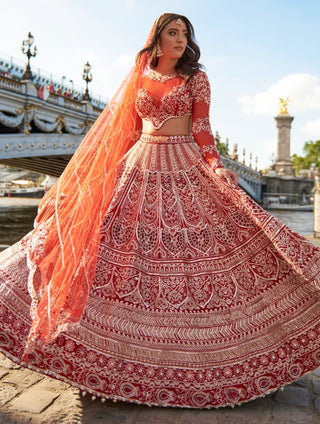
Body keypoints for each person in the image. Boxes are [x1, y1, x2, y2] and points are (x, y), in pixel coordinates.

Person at [0, 13, 320, 409]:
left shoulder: (196, 78)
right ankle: (96, 358)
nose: (180, 39)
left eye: (185, 33)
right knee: (115, 251)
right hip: (138, 164)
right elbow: (128, 128)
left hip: (184, 163)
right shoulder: (140, 74)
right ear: (156, 38)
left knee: (200, 250)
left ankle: (203, 359)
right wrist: (102, 176)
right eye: (173, 32)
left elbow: (202, 127)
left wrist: (217, 166)